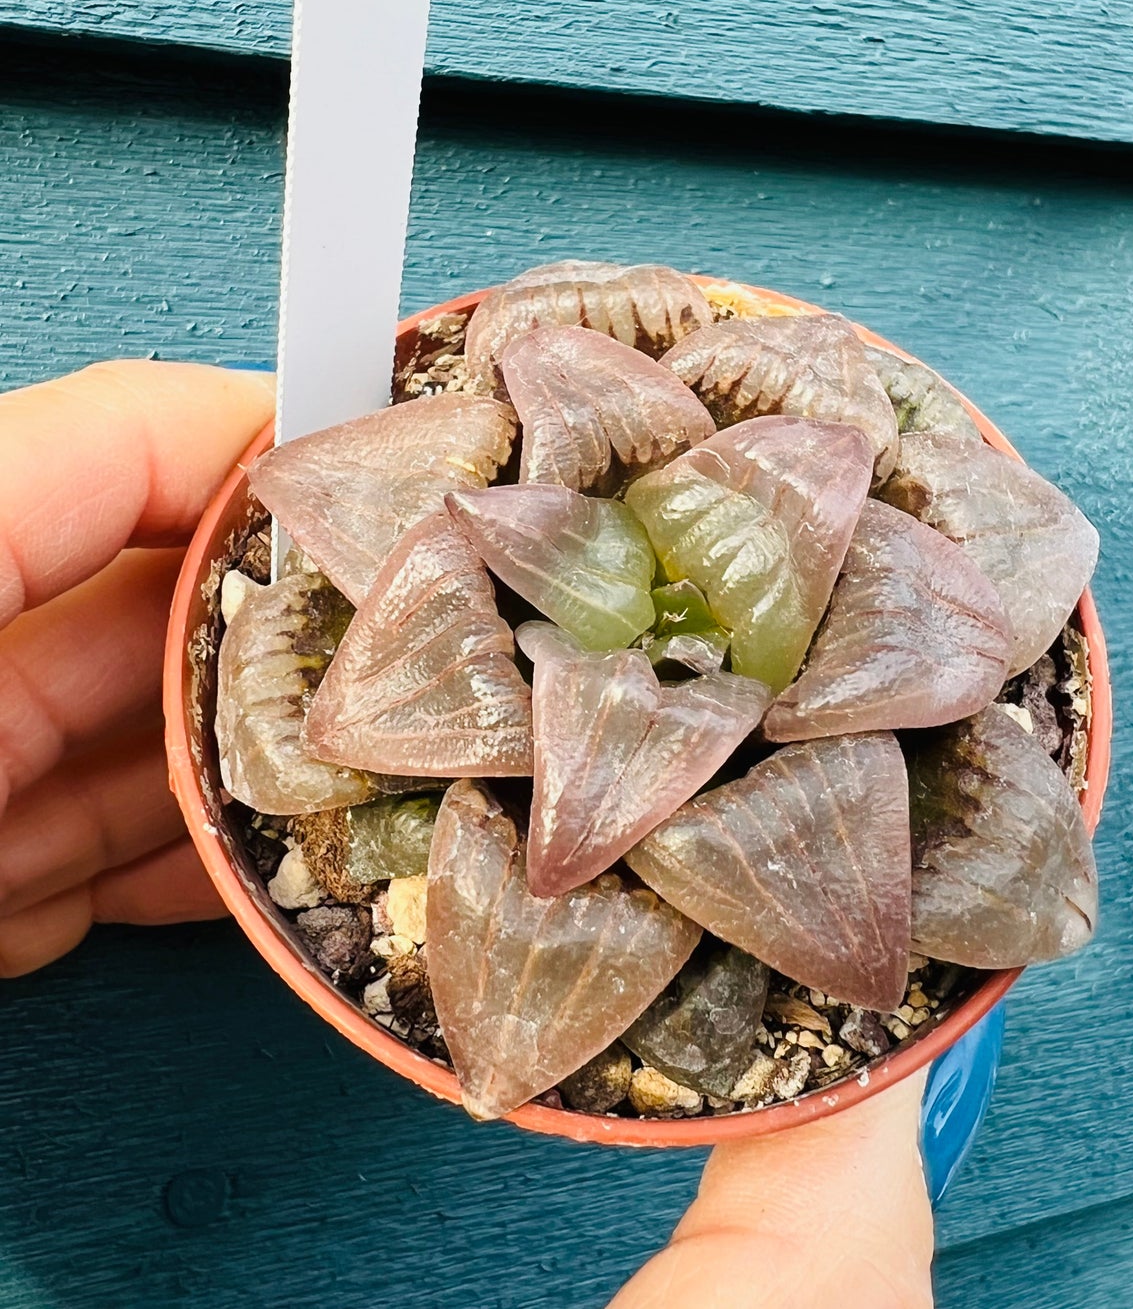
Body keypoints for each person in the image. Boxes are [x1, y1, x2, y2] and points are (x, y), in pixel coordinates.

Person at [0, 359, 981, 1309]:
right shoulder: (513, 557)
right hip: (545, 738)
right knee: (329, 757)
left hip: (737, 765)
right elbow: (356, 497)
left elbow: (984, 606)